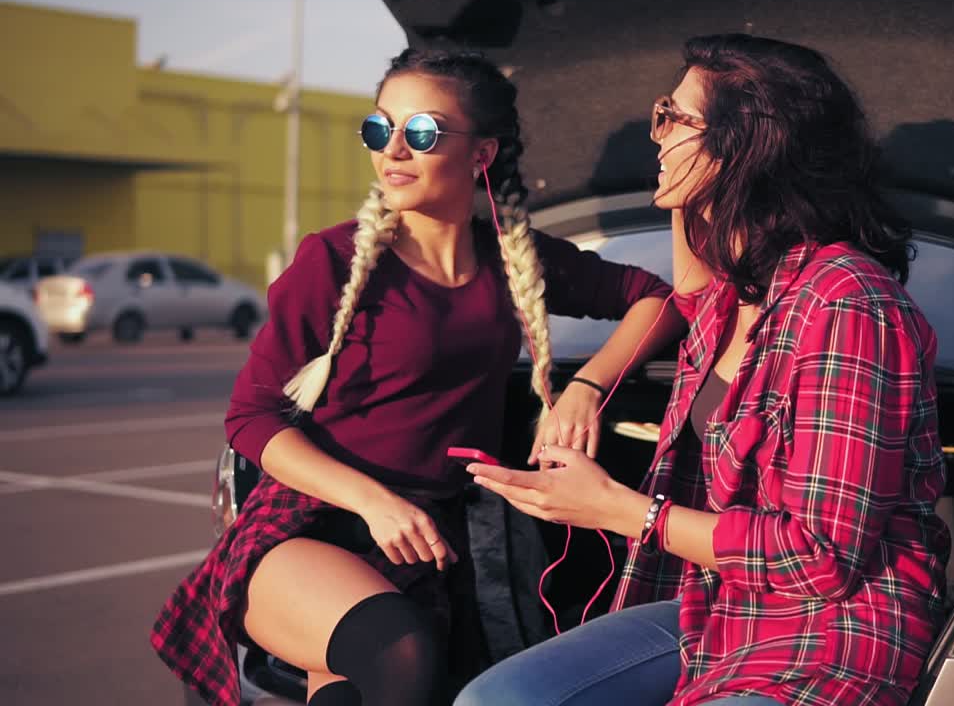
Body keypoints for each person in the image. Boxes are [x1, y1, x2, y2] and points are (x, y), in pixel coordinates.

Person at [150, 48, 685, 706]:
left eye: (422, 132)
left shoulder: (509, 260)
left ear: (481, 155)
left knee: (361, 690)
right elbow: (250, 417)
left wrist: (587, 387)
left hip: (430, 540)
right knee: (400, 655)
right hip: (314, 526)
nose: (393, 150)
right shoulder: (334, 259)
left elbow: (661, 301)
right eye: (380, 129)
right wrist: (372, 502)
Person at [458, 33, 951, 706]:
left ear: (747, 145)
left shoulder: (847, 304)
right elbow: (681, 288)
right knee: (496, 701)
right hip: (714, 616)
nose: (654, 135)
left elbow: (819, 558)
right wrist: (585, 388)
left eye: (674, 118)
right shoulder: (728, 300)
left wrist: (618, 510)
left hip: (830, 636)